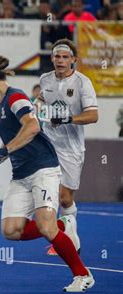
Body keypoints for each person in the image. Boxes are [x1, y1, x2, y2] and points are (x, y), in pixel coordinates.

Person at [0, 56, 94, 292]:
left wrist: (3, 150)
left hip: (43, 168)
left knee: (46, 228)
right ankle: (63, 223)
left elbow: (32, 126)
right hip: (21, 174)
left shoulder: (15, 97)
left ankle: (83, 275)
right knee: (11, 230)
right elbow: (13, 141)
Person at [38, 39, 98, 256]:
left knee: (65, 198)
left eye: (65, 57)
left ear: (74, 60)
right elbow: (40, 101)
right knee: (51, 196)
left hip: (71, 148)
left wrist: (67, 118)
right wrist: (40, 112)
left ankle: (72, 233)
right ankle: (61, 240)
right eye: (57, 56)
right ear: (52, 58)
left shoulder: (83, 82)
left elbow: (93, 115)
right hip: (48, 146)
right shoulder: (45, 79)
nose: (60, 60)